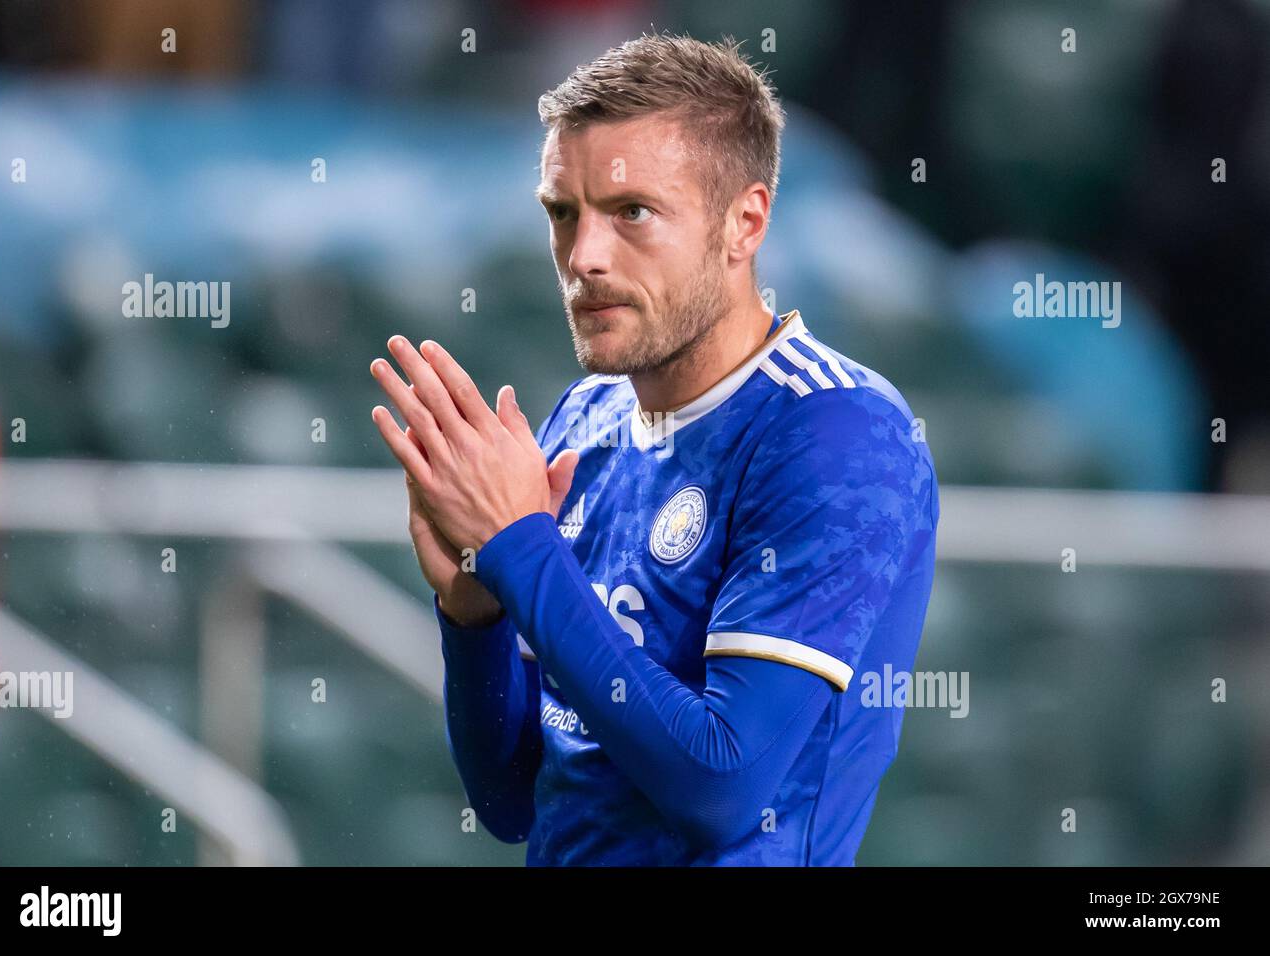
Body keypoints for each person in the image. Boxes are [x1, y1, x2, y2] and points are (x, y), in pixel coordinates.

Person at [369, 32, 939, 866]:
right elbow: (512, 799)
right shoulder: (581, 421)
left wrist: (521, 551)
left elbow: (722, 788)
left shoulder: (836, 431)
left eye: (631, 212)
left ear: (744, 223)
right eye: (564, 214)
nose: (584, 258)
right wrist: (475, 611)